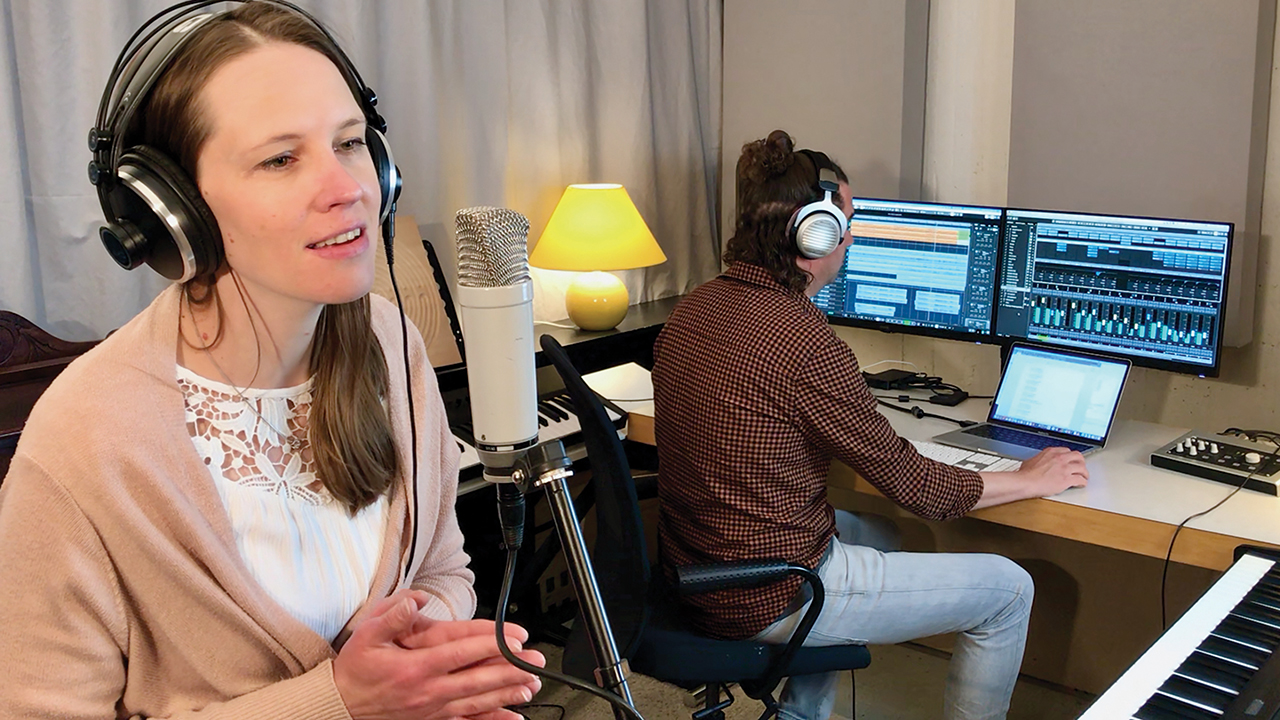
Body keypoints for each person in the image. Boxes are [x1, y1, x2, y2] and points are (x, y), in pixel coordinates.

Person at [0, 3, 544, 718]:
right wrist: (343, 701)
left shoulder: (390, 342)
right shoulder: (83, 439)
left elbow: (444, 565)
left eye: (350, 143)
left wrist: (419, 659)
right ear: (172, 210)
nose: (348, 188)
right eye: (281, 158)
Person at [651, 129, 1089, 720]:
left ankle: (800, 713)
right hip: (765, 593)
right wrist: (1031, 477)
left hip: (698, 569)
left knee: (879, 533)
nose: (851, 238)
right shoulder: (803, 339)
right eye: (847, 222)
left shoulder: (696, 307)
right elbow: (923, 490)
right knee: (1009, 590)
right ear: (815, 233)